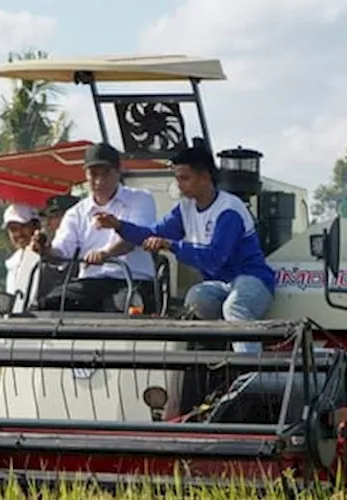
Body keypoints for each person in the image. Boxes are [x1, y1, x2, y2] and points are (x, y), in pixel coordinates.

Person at [96, 143, 277, 354]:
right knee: (195, 299)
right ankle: (216, 359)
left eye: (184, 178)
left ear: (205, 177)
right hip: (222, 285)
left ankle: (251, 373)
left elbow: (214, 259)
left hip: (253, 280)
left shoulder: (229, 210)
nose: (179, 185)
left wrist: (171, 245)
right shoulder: (185, 208)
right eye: (177, 178)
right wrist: (118, 225)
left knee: (234, 307)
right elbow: (150, 233)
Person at [29, 142, 159, 313]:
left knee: (122, 307)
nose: (99, 181)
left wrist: (105, 254)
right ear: (85, 175)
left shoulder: (141, 199)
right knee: (46, 306)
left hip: (132, 280)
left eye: (106, 174)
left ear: (118, 171)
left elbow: (134, 237)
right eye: (93, 174)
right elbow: (61, 253)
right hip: (90, 284)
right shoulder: (76, 213)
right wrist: (45, 250)